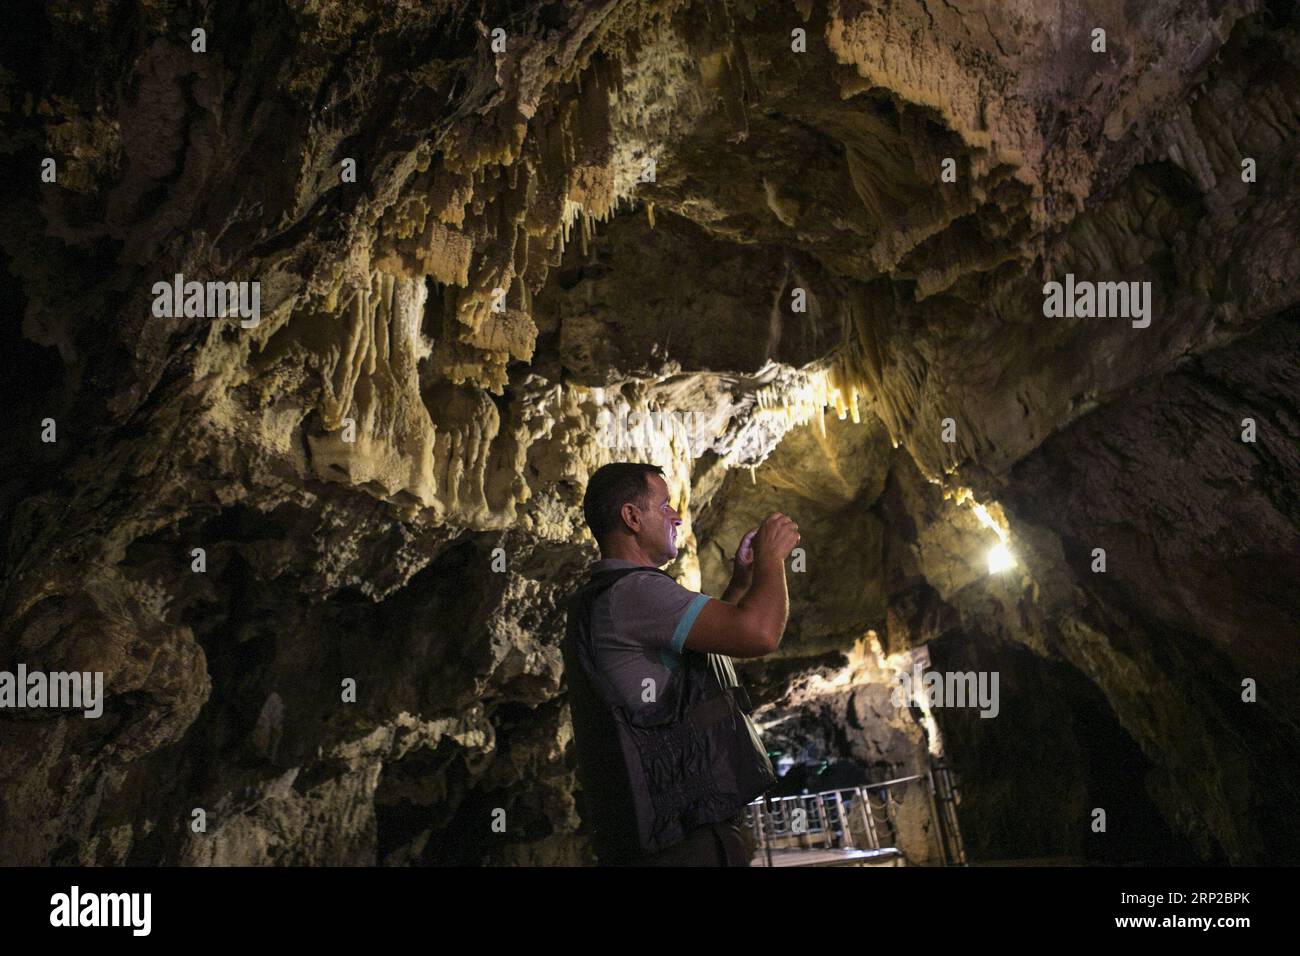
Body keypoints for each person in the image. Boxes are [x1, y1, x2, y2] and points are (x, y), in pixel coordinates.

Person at [562, 462, 801, 866]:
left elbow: (704, 654)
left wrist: (742, 580)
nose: (676, 516)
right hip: (682, 845)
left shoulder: (612, 595)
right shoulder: (636, 592)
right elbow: (759, 633)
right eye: (664, 505)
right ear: (632, 517)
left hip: (668, 836)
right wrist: (772, 559)